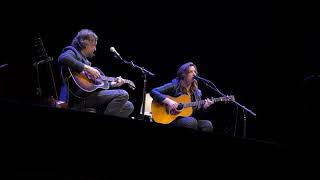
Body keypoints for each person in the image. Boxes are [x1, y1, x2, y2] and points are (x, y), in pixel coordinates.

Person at [57, 29, 134, 118]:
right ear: (85, 44)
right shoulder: (72, 51)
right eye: (94, 45)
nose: (95, 49)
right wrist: (87, 68)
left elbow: (95, 86)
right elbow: (63, 57)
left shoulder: (87, 62)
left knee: (128, 106)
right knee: (123, 94)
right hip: (79, 99)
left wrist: (114, 84)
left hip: (90, 97)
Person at [150, 62, 214, 132]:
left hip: (187, 119)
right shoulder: (174, 85)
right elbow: (154, 91)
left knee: (207, 124)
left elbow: (194, 112)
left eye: (195, 71)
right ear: (183, 74)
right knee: (191, 121)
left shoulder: (197, 92)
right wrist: (169, 101)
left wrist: (204, 107)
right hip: (170, 118)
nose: (194, 74)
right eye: (191, 72)